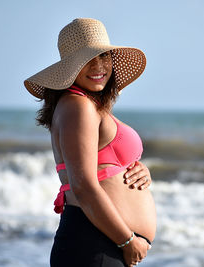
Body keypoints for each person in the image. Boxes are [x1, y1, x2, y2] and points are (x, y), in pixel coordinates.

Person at [24, 18, 157, 267]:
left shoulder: (87, 105)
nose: (98, 66)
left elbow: (104, 166)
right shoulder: (78, 106)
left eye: (103, 56)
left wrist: (138, 171)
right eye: (87, 59)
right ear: (70, 68)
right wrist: (127, 241)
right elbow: (83, 185)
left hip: (101, 244)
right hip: (97, 243)